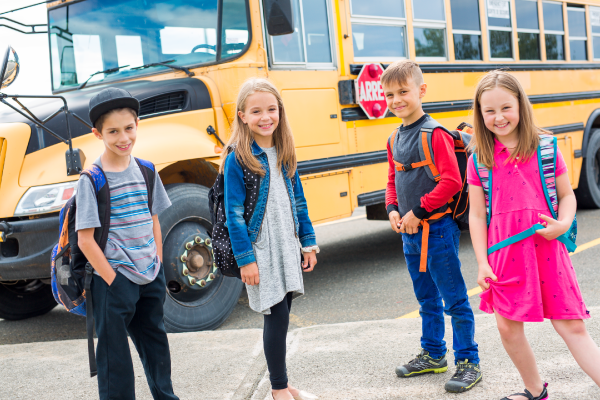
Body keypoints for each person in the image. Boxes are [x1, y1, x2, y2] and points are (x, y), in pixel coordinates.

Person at [468, 70, 600, 400]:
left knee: (571, 326)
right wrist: (482, 263)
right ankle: (534, 390)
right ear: (480, 113)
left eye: (506, 108)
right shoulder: (479, 159)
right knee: (507, 328)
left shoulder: (546, 148)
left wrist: (563, 224)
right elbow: (476, 214)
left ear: (521, 106)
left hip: (547, 249)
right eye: (489, 111)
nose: (499, 117)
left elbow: (567, 195)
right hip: (503, 254)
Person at [382, 60, 482, 393]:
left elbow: (452, 181)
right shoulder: (394, 136)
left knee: (454, 300)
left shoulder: (435, 133)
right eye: (390, 94)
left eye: (403, 92)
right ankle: (434, 354)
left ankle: (468, 362)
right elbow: (392, 179)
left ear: (421, 91)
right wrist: (393, 209)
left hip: (437, 231)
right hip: (410, 233)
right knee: (425, 299)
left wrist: (418, 212)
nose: (396, 100)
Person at [77, 88, 178, 400]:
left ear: (138, 124)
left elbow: (154, 220)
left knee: (156, 345)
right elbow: (85, 240)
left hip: (150, 275)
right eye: (113, 132)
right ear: (97, 133)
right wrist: (112, 278)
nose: (123, 138)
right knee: (115, 358)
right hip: (114, 280)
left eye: (129, 128)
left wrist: (157, 262)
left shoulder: (146, 170)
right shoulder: (92, 179)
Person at [222, 78, 319, 400]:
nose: (265, 117)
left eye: (271, 109)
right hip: (261, 249)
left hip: (287, 244)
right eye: (256, 111)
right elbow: (233, 213)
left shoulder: (285, 152)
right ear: (242, 116)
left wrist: (308, 242)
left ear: (280, 112)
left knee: (284, 314)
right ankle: (278, 389)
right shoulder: (238, 157)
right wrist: (245, 259)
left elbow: (299, 201)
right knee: (276, 318)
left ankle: (283, 382)